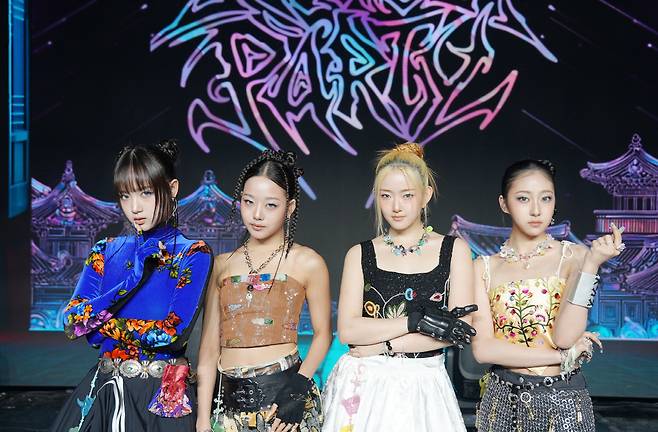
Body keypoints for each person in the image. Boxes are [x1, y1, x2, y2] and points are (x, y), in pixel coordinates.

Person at [51, 140, 214, 432]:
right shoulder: (105, 250)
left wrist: (100, 327)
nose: (134, 207)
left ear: (172, 189)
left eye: (146, 193)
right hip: (105, 392)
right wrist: (132, 280)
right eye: (125, 196)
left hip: (162, 397)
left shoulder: (193, 254)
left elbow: (170, 334)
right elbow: (71, 322)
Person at [322, 143, 477, 432]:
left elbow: (458, 331)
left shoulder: (454, 250)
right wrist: (413, 322)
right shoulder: (360, 254)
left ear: (426, 195)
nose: (396, 206)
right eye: (386, 196)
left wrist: (384, 345)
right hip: (364, 381)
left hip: (425, 382)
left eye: (407, 195)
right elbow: (349, 331)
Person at [471, 159, 623, 431]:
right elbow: (483, 350)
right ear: (504, 203)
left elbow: (565, 338)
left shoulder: (575, 257)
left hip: (563, 401)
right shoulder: (483, 268)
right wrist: (561, 358)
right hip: (502, 402)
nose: (536, 210)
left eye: (546, 198)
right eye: (523, 198)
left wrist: (591, 265)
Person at [196, 150, 332, 432]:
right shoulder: (222, 265)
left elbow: (322, 335)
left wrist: (297, 390)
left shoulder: (308, 262)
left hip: (284, 406)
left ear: (289, 207)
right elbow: (208, 351)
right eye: (248, 202)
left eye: (271, 205)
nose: (257, 214)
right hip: (228, 411)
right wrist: (202, 421)